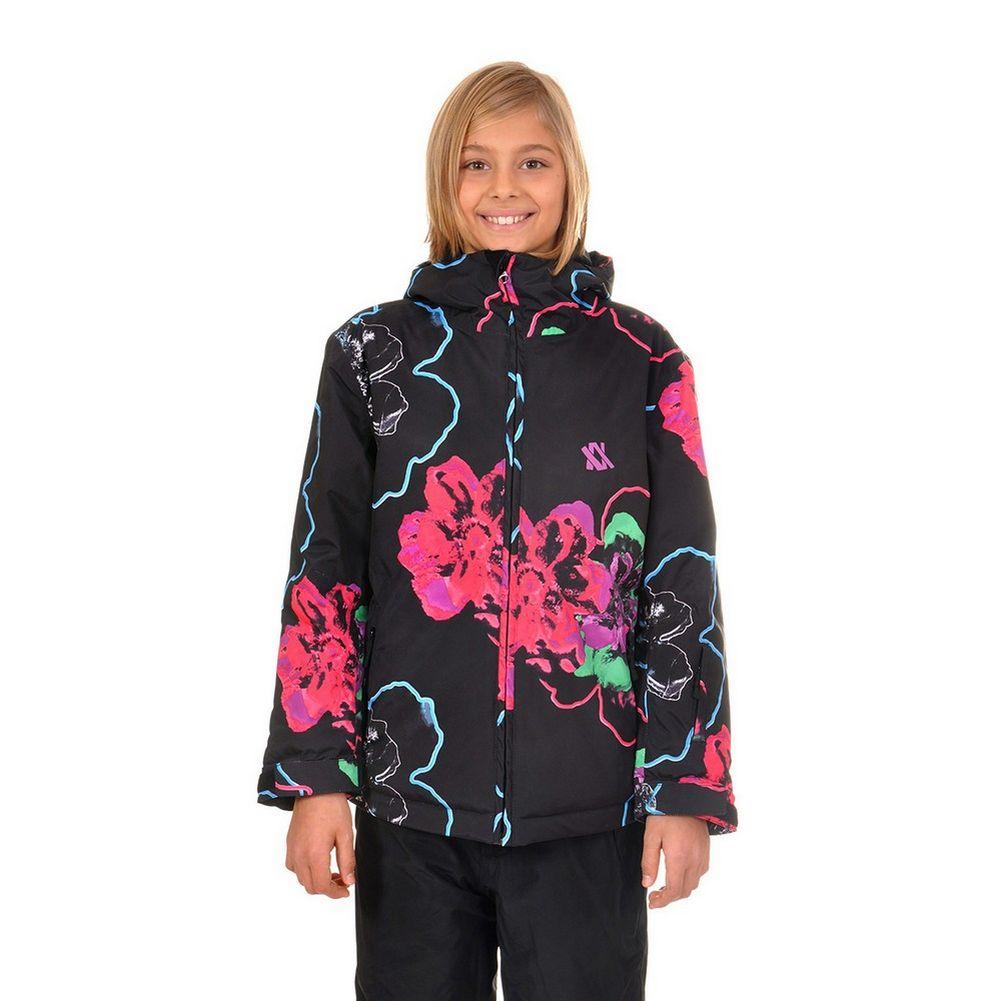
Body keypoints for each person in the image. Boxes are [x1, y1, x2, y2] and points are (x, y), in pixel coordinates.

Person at [257, 60, 737, 1001]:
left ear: (570, 177)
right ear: (444, 178)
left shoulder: (642, 356)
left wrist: (683, 785)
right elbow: (326, 567)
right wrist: (317, 776)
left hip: (589, 806)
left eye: (533, 162)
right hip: (411, 800)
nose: (504, 187)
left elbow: (680, 576)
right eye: (475, 163)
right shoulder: (371, 352)